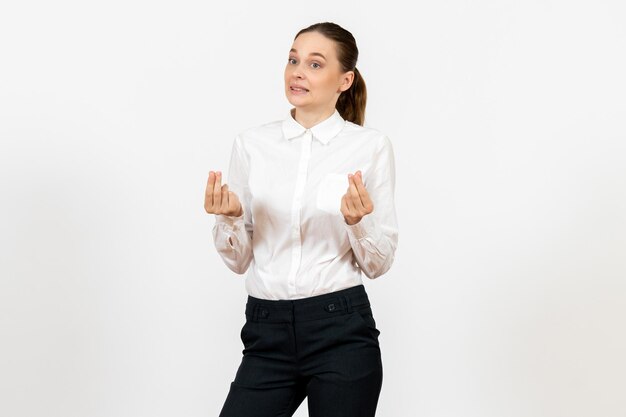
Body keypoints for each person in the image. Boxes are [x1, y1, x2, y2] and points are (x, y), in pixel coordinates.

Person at [204, 21, 398, 417]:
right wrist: (230, 219)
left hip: (341, 330)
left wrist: (358, 223)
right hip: (265, 330)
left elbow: (378, 264)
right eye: (293, 59)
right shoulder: (252, 145)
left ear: (344, 80)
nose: (297, 71)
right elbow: (239, 260)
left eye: (314, 64)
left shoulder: (369, 147)